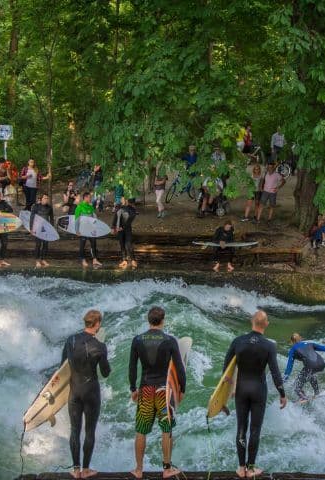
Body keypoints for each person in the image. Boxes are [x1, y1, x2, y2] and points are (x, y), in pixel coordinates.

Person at [223, 310, 287, 478]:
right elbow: (275, 373)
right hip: (259, 390)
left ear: (251, 322)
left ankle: (241, 467)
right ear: (266, 324)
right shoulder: (269, 346)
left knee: (241, 428)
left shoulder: (238, 341)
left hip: (241, 390)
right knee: (255, 429)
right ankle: (251, 469)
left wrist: (228, 389)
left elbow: (226, 370)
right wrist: (282, 393)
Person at [128, 306, 186, 480]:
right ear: (163, 320)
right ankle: (167, 469)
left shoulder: (137, 340)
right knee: (166, 430)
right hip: (164, 391)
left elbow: (132, 367)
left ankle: (138, 469)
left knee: (141, 431)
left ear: (148, 320)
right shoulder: (169, 341)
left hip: (145, 389)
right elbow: (179, 368)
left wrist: (133, 388)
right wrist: (181, 389)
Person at [62, 310, 111, 479]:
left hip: (74, 392)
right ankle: (86, 470)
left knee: (74, 430)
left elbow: (63, 365)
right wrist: (103, 354)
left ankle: (76, 470)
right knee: (90, 431)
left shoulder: (71, 340)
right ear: (97, 324)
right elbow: (106, 373)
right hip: (91, 393)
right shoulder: (100, 346)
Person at [283, 333, 325, 403]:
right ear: (301, 338)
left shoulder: (293, 350)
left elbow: (289, 367)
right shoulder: (309, 344)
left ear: (292, 342)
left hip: (311, 366)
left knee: (296, 386)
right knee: (311, 374)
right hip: (321, 364)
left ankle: (303, 397)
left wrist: (284, 379)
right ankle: (317, 393)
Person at [75, 192, 102, 268]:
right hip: (82, 229)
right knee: (82, 245)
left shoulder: (90, 207)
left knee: (94, 244)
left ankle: (95, 259)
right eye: (90, 197)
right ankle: (82, 259)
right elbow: (76, 219)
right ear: (85, 198)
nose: (91, 199)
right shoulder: (79, 207)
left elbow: (94, 218)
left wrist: (96, 227)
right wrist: (77, 230)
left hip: (90, 229)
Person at [112, 197, 138, 269]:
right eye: (121, 199)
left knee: (128, 244)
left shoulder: (132, 209)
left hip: (127, 229)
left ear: (127, 200)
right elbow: (115, 217)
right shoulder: (119, 207)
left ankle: (133, 260)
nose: (122, 200)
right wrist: (113, 227)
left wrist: (121, 227)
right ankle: (124, 260)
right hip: (119, 230)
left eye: (123, 199)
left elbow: (129, 219)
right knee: (122, 244)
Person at [30, 194, 55, 268]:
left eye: (47, 198)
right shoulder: (36, 206)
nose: (46, 199)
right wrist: (31, 228)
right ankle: (37, 260)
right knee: (38, 244)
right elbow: (32, 217)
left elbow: (52, 218)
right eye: (45, 198)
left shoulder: (49, 207)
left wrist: (52, 228)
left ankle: (43, 259)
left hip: (46, 228)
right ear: (41, 199)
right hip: (37, 228)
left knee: (45, 245)